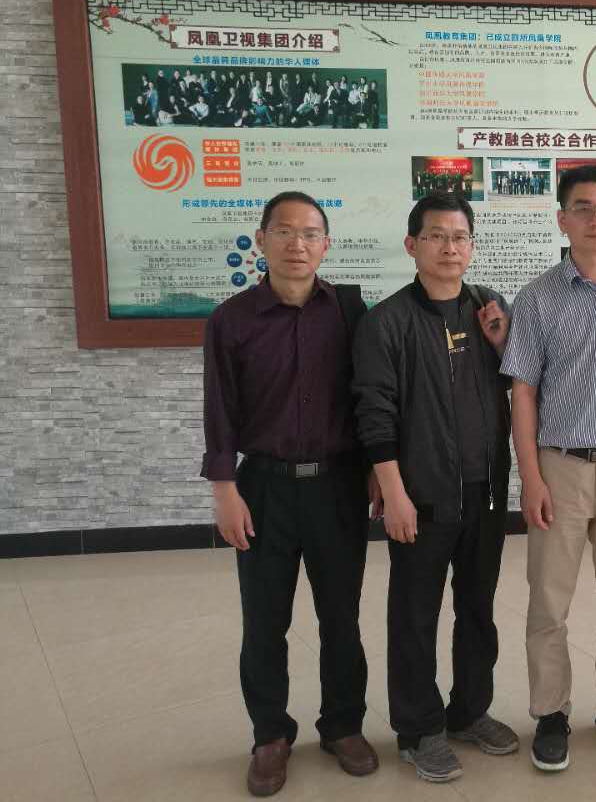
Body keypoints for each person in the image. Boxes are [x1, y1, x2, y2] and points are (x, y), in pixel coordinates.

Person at [202, 191, 378, 797]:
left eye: (309, 233)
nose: (297, 244)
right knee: (264, 621)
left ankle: (343, 725)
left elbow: (369, 399)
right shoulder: (231, 320)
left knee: (341, 617)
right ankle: (270, 735)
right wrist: (225, 490)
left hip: (338, 486)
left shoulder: (350, 313)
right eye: (284, 232)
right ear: (262, 240)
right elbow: (219, 410)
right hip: (264, 489)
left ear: (326, 245)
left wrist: (377, 470)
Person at [351, 191, 519, 784]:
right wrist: (392, 491)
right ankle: (418, 729)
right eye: (437, 236)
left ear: (472, 245)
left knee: (478, 609)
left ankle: (469, 711)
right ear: (412, 245)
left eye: (460, 237)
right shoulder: (386, 322)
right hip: (420, 496)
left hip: (486, 492)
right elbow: (375, 413)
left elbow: (522, 384)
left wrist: (502, 344)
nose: (450, 248)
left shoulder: (489, 309)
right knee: (415, 615)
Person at [501, 165, 596, 772]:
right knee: (549, 601)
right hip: (560, 466)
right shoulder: (537, 297)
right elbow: (522, 392)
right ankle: (551, 713)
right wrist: (530, 478)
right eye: (583, 207)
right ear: (562, 219)